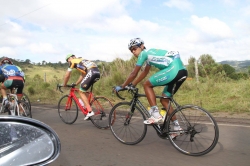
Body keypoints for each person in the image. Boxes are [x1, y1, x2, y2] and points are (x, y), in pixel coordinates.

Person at [114, 38, 188, 137]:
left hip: (173, 69)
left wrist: (122, 86)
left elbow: (134, 73)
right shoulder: (150, 55)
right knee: (164, 100)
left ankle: (156, 115)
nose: (133, 52)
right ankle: (177, 127)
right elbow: (145, 72)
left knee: (146, 85)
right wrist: (133, 84)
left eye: (134, 49)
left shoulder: (144, 53)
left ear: (142, 46)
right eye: (131, 50)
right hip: (182, 71)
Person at [63, 54, 100, 120]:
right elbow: (83, 75)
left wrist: (64, 84)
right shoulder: (81, 60)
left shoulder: (72, 61)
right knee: (84, 90)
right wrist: (76, 83)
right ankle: (87, 105)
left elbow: (67, 75)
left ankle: (90, 111)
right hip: (97, 72)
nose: (68, 62)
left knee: (81, 91)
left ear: (69, 59)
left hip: (91, 72)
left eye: (67, 61)